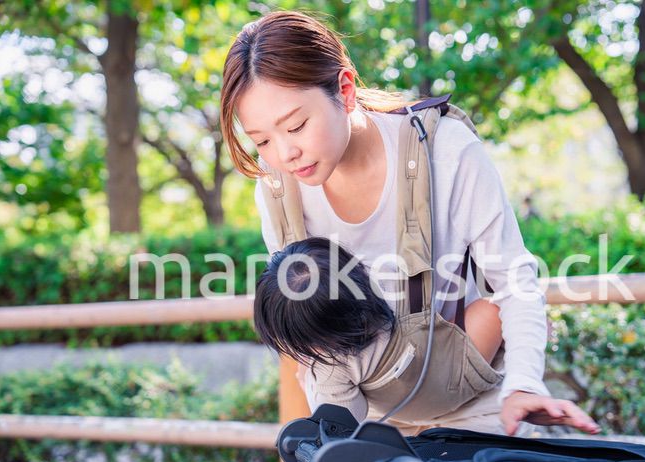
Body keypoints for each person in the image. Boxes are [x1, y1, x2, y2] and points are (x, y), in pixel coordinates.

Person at [221, 10, 599, 436]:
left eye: (297, 125)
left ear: (344, 90)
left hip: (473, 408)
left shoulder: (444, 151)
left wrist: (525, 385)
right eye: (262, 141)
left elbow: (515, 280)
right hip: (365, 421)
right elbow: (307, 343)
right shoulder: (277, 191)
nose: (285, 154)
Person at [253, 237, 511, 425]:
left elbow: (343, 420)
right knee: (491, 312)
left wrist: (308, 381)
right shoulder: (389, 292)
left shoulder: (329, 369)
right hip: (458, 377)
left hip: (409, 409)